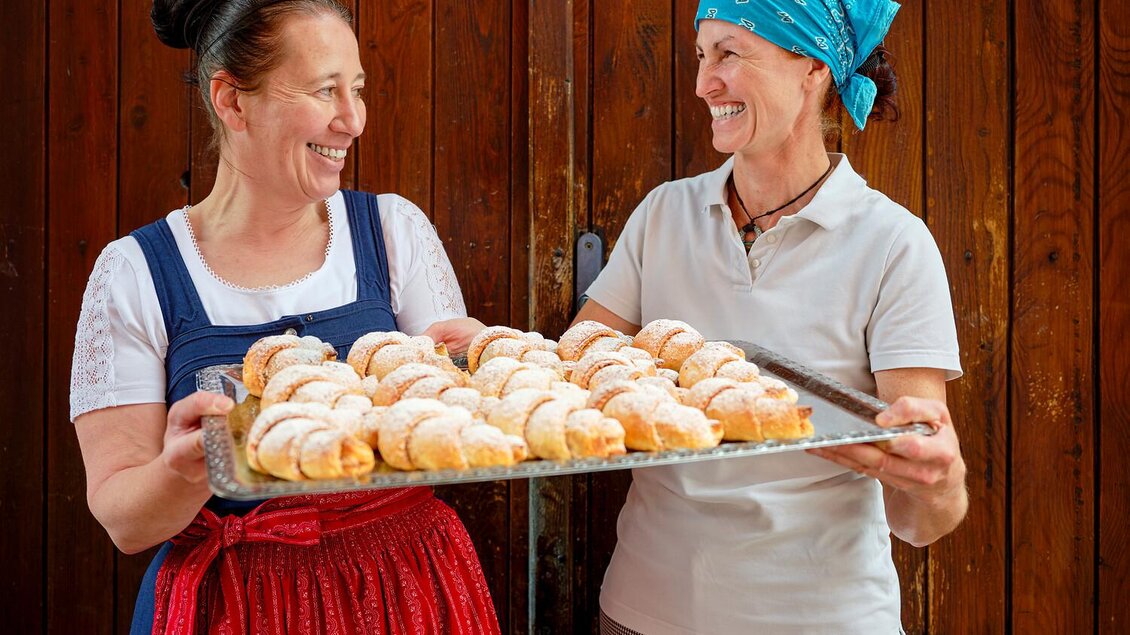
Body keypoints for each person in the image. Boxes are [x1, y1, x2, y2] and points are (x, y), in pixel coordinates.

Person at [69, 1, 498, 633]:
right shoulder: (135, 272)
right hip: (232, 603)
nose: (353, 120)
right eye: (326, 90)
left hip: (404, 587)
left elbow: (453, 437)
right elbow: (125, 522)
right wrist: (182, 470)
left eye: (357, 90)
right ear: (232, 100)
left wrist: (479, 366)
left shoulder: (393, 231)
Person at [575, 2, 968, 633]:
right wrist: (483, 355)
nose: (703, 84)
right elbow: (576, 372)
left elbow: (919, 518)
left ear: (813, 67)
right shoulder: (663, 215)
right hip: (643, 610)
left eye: (729, 53)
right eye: (701, 56)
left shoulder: (893, 243)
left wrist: (940, 485)